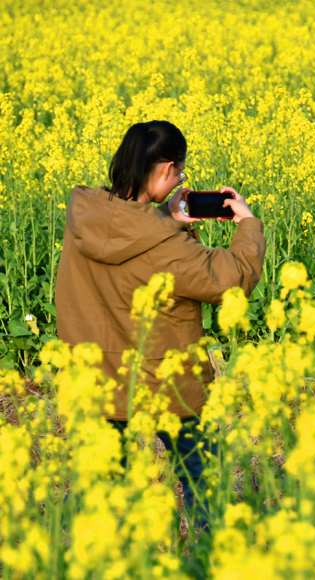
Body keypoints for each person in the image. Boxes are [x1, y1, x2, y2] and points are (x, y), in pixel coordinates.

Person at [55, 120, 265, 525]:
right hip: (166, 382)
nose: (180, 180)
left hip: (99, 376)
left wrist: (166, 218)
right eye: (180, 173)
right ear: (166, 169)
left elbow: (129, 236)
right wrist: (246, 224)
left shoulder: (83, 213)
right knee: (202, 475)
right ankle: (208, 558)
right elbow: (232, 278)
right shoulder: (167, 247)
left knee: (98, 488)